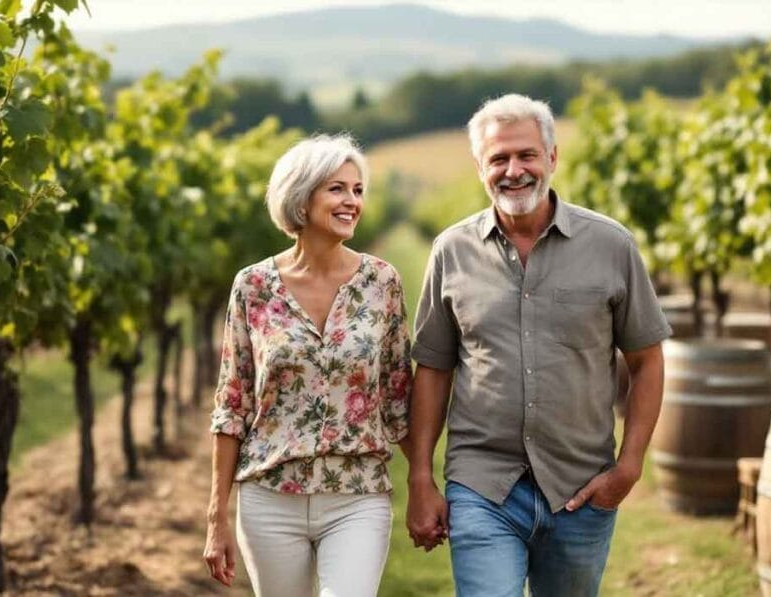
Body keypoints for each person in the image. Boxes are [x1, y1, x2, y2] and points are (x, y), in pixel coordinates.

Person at [405, 94, 671, 597]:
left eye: (526, 155)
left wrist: (630, 467)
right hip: (482, 484)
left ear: (552, 157)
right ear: (480, 167)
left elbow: (646, 359)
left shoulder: (611, 246)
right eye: (498, 159)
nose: (514, 170)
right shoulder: (451, 251)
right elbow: (434, 369)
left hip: (581, 488)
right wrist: (421, 477)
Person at [203, 134, 412, 597]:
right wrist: (218, 516)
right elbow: (232, 403)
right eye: (337, 188)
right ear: (301, 197)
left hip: (357, 494)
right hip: (270, 495)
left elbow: (399, 397)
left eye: (357, 190)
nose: (352, 201)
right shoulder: (253, 286)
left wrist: (424, 487)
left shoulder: (382, 282)